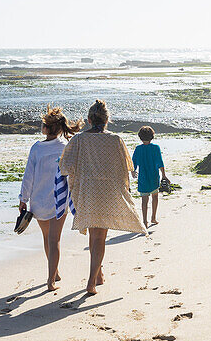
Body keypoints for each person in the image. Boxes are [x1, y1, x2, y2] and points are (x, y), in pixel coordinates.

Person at [59, 100, 146, 295]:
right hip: (107, 190)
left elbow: (65, 166)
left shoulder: (79, 140)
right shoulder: (115, 140)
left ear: (89, 120)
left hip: (88, 190)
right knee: (100, 236)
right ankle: (93, 280)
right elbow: (125, 168)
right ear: (107, 120)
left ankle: (96, 275)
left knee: (94, 235)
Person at [19, 106, 82, 291]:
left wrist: (23, 198)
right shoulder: (65, 147)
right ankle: (51, 279)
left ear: (45, 128)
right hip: (59, 199)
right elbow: (73, 173)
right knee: (54, 240)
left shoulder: (37, 148)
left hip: (38, 202)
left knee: (47, 238)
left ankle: (54, 273)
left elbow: (28, 176)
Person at [131, 126, 167, 226]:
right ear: (152, 136)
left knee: (144, 201)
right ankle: (153, 218)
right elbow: (160, 162)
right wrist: (164, 175)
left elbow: (133, 163)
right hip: (154, 177)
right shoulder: (156, 148)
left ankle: (145, 221)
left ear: (140, 137)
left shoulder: (138, 149)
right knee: (155, 197)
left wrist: (133, 172)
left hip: (143, 178)